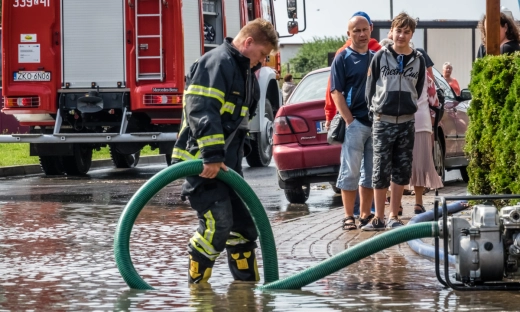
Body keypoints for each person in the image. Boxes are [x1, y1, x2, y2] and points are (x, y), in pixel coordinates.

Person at [172, 18, 278, 283]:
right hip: (202, 163)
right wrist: (211, 156)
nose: (263, 61)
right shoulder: (217, 63)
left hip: (227, 166)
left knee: (243, 228)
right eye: (263, 54)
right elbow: (202, 110)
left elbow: (238, 118)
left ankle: (246, 294)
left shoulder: (244, 71)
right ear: (249, 42)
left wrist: (241, 149)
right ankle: (198, 294)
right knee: (216, 226)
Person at [363, 12, 426, 231]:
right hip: (383, 120)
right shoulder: (380, 56)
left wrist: (409, 105)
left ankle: (393, 216)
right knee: (380, 169)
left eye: (406, 32)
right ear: (392, 31)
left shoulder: (418, 59)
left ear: (411, 34)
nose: (401, 35)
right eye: (398, 31)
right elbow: (369, 88)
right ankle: (378, 217)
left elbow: (417, 90)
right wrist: (375, 111)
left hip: (406, 122)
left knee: (402, 169)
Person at [325, 11, 381, 218]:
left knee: (370, 175)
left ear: (371, 30)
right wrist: (350, 121)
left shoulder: (377, 58)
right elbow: (335, 92)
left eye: (365, 29)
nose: (361, 34)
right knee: (350, 173)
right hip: (355, 124)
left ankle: (365, 215)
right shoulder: (342, 58)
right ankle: (349, 217)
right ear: (349, 33)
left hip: (375, 124)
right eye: (356, 31)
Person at [409, 72, 444, 214]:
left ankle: (396, 204)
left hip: (397, 120)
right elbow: (434, 99)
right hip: (421, 121)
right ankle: (418, 202)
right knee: (420, 164)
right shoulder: (423, 71)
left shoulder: (391, 65)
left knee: (398, 164)